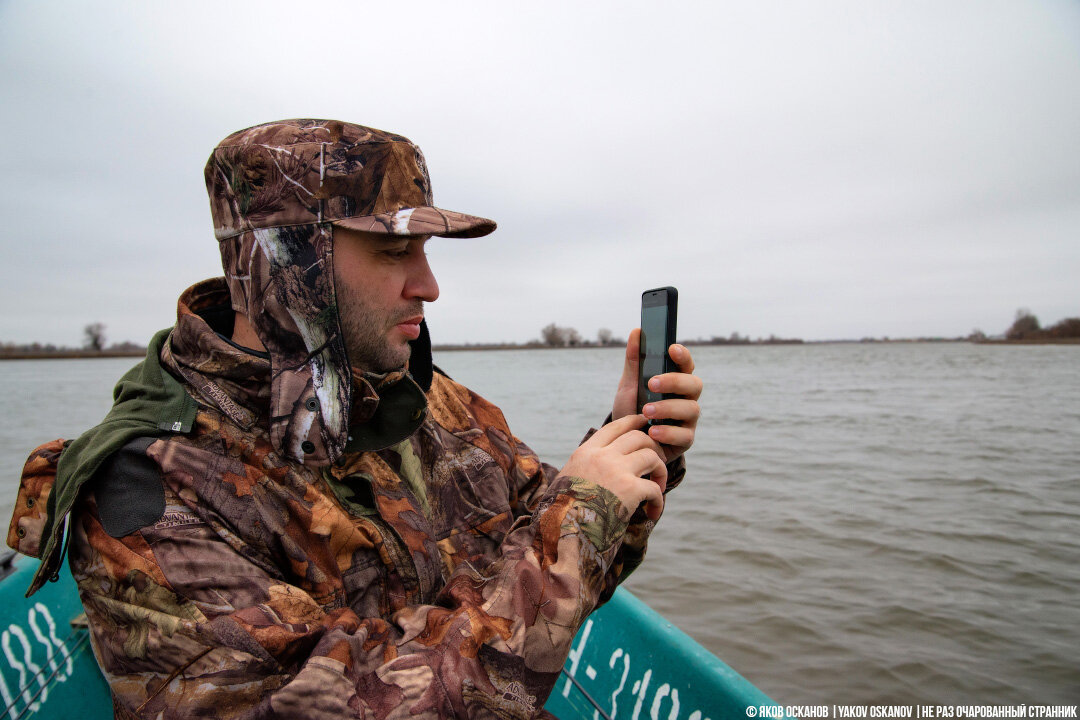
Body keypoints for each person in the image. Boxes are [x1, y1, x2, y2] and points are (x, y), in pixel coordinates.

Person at [7, 119, 702, 719]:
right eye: (396, 251)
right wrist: (577, 523)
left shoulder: (435, 406)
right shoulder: (151, 493)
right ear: (286, 265)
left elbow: (560, 562)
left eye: (425, 253)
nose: (429, 285)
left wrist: (631, 455)